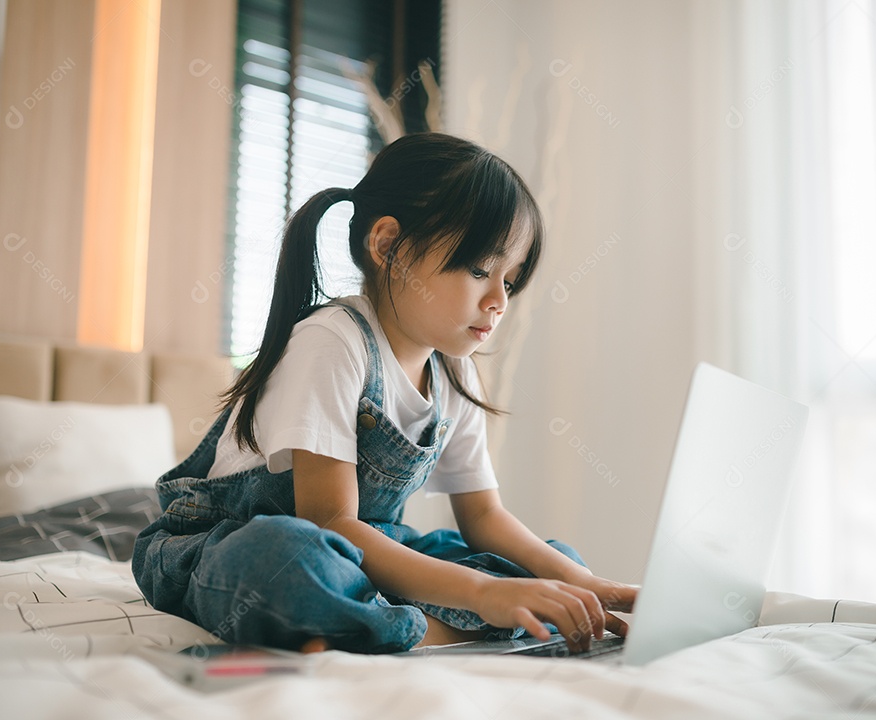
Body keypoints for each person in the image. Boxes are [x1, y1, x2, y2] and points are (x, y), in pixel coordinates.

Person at [132, 133, 636, 655]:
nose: (498, 301)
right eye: (480, 270)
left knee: (555, 566)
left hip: (367, 548)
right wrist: (483, 593)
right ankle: (434, 630)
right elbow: (328, 521)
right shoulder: (333, 341)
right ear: (388, 244)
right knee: (283, 559)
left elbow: (484, 518)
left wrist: (588, 584)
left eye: (509, 280)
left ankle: (361, 628)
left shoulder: (454, 371)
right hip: (241, 541)